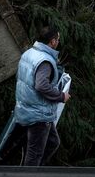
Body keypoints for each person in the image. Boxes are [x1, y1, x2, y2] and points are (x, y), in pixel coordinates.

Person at [14, 25, 70, 166]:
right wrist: (61, 96)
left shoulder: (28, 54)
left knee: (52, 142)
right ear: (52, 41)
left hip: (28, 108)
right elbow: (41, 86)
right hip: (38, 114)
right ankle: (30, 176)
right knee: (35, 154)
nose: (58, 42)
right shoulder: (45, 61)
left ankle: (37, 171)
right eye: (57, 39)